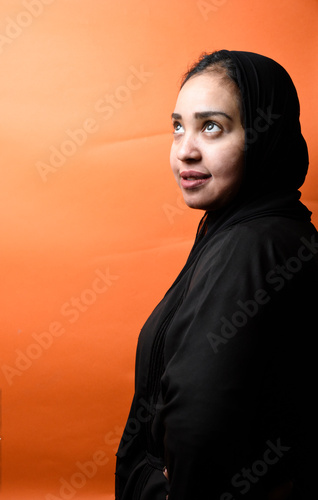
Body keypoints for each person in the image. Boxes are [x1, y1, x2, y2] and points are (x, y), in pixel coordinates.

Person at [115, 50, 318, 499]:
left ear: (265, 136)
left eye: (212, 127)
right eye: (177, 126)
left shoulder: (254, 246)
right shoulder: (258, 233)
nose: (186, 149)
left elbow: (202, 419)